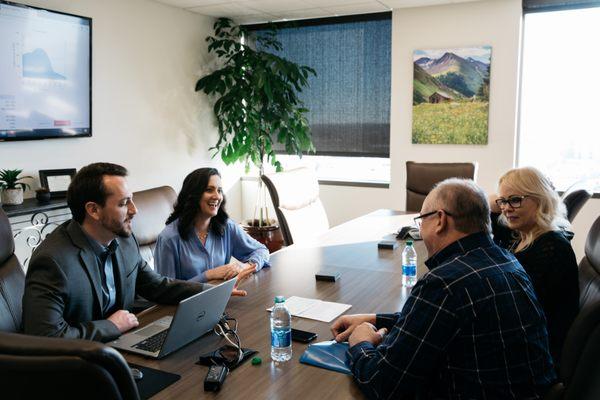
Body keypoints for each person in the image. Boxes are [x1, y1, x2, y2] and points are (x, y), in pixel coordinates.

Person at [331, 179, 556, 399]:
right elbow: (444, 319)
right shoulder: (505, 259)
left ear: (440, 220)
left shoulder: (446, 282)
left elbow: (384, 385)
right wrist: (376, 318)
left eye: (421, 221)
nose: (421, 229)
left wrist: (360, 343)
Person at [22, 163, 249, 343]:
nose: (134, 210)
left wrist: (210, 291)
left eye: (131, 200)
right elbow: (46, 337)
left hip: (123, 345)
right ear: (93, 210)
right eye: (124, 203)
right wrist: (111, 326)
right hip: (78, 364)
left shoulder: (124, 241)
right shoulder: (53, 260)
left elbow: (157, 286)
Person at [490, 166, 579, 364]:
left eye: (515, 200)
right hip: (526, 338)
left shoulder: (552, 248)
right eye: (503, 201)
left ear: (540, 200)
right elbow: (489, 212)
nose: (505, 208)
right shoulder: (523, 235)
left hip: (536, 354)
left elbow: (521, 310)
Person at [153, 168, 269, 283]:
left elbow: (261, 250)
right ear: (193, 195)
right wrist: (208, 275)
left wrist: (247, 266)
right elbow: (165, 291)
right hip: (186, 302)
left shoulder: (227, 227)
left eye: (219, 190)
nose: (217, 196)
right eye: (209, 190)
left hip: (222, 297)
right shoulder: (168, 238)